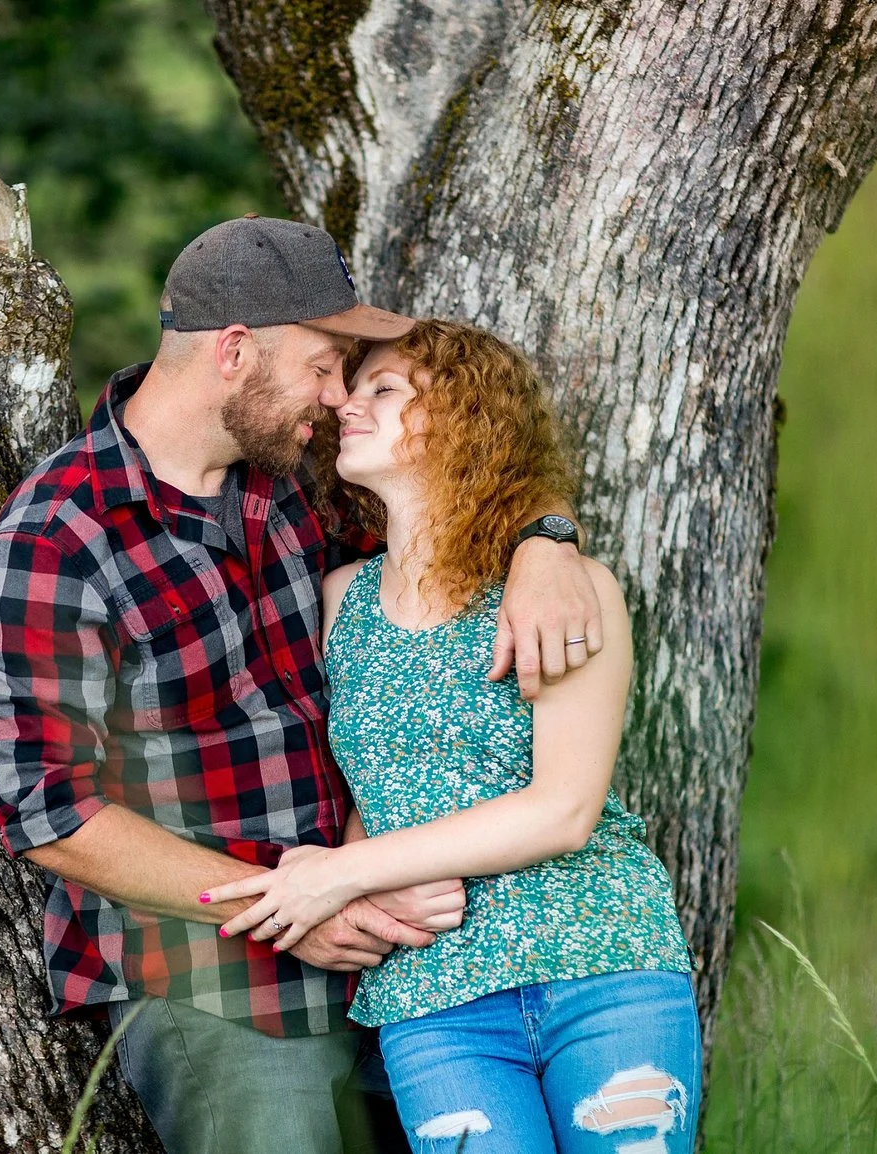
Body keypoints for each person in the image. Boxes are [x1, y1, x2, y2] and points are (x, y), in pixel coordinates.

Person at [0, 217, 610, 1154]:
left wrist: (547, 541)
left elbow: (466, 504)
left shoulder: (295, 480)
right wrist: (290, 909)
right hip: (216, 979)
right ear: (233, 352)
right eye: (324, 365)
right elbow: (51, 815)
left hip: (398, 945)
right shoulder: (59, 537)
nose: (339, 396)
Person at [200, 321, 699, 1153]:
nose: (346, 406)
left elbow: (562, 812)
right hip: (433, 999)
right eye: (352, 390)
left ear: (462, 421)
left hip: (600, 961)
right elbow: (371, 791)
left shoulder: (564, 594)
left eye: (383, 391)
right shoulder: (336, 602)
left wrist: (337, 875)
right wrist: (358, 884)